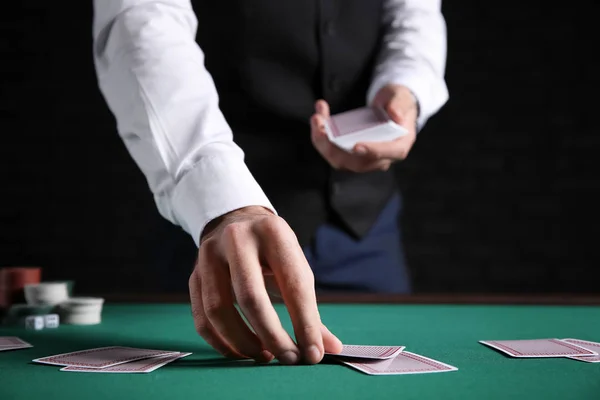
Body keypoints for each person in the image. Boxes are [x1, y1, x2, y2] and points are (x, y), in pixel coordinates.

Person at [92, 0, 448, 365]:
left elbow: (413, 13)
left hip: (365, 229)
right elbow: (142, 18)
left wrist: (406, 86)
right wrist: (224, 203)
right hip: (213, 230)